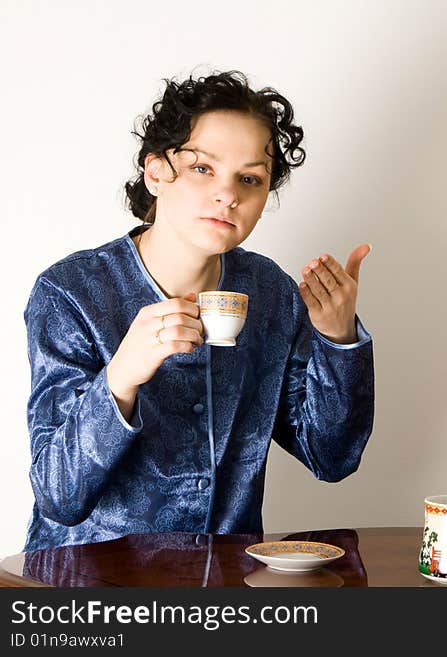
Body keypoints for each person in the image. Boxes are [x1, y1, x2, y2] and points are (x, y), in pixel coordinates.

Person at [24, 70, 375, 551]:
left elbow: (332, 458)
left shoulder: (270, 293)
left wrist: (338, 340)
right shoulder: (72, 292)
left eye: (249, 179)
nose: (228, 194)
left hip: (224, 591)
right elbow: (58, 497)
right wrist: (121, 379)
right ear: (155, 172)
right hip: (89, 589)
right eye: (203, 169)